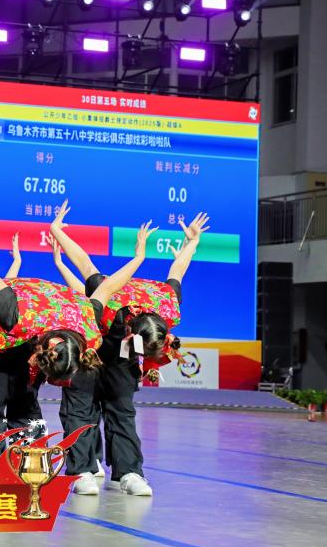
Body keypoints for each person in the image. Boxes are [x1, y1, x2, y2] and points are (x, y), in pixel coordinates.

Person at [0, 212, 154, 456]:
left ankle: (29, 467)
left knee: (26, 413)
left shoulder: (85, 320)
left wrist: (139, 258)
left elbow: (108, 287)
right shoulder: (15, 314)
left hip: (31, 335)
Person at [52, 201, 209, 497]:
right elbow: (84, 262)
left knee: (123, 413)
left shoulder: (166, 304)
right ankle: (82, 471)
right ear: (132, 335)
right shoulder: (107, 296)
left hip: (121, 364)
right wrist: (56, 231)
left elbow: (177, 269)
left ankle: (129, 472)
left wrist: (193, 242)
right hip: (89, 354)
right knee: (79, 411)